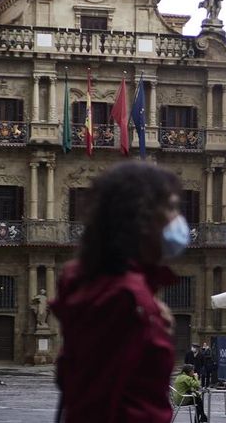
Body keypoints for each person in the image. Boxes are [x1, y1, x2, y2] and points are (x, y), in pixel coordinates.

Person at [50, 161, 188, 423]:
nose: (178, 219)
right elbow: (97, 402)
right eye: (170, 207)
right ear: (142, 216)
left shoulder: (105, 285)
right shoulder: (125, 298)